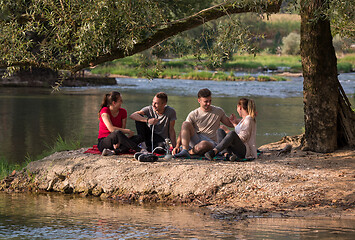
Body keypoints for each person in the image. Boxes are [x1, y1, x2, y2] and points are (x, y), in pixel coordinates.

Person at [173, 88, 233, 158]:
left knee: (203, 145)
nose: (208, 103)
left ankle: (190, 152)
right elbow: (183, 131)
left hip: (211, 143)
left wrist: (239, 119)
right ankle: (184, 150)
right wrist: (177, 146)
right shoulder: (194, 114)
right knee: (185, 124)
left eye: (210, 101)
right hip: (197, 138)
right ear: (199, 101)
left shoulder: (218, 111)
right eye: (206, 101)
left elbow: (230, 124)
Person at [97, 91, 142, 155]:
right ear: (114, 103)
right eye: (120, 100)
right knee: (117, 132)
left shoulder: (123, 112)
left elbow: (122, 131)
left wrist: (119, 143)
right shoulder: (104, 111)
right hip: (105, 142)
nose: (122, 102)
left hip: (118, 141)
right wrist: (128, 131)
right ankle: (140, 150)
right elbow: (111, 129)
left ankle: (114, 152)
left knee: (138, 138)